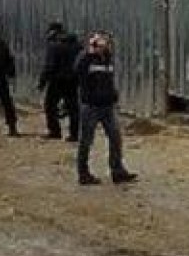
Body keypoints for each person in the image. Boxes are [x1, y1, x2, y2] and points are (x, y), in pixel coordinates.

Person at [73, 31, 137, 186]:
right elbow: (77, 72)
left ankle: (117, 170)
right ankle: (83, 173)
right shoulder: (85, 58)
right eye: (99, 44)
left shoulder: (107, 59)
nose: (103, 46)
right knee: (86, 140)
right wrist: (89, 53)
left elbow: (109, 80)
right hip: (91, 105)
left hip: (107, 105)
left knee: (116, 138)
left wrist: (114, 95)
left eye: (106, 43)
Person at [38, 22, 81, 142]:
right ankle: (75, 134)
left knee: (50, 106)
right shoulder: (77, 44)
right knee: (73, 108)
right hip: (73, 80)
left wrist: (42, 82)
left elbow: (49, 66)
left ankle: (55, 131)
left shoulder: (54, 45)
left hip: (57, 80)